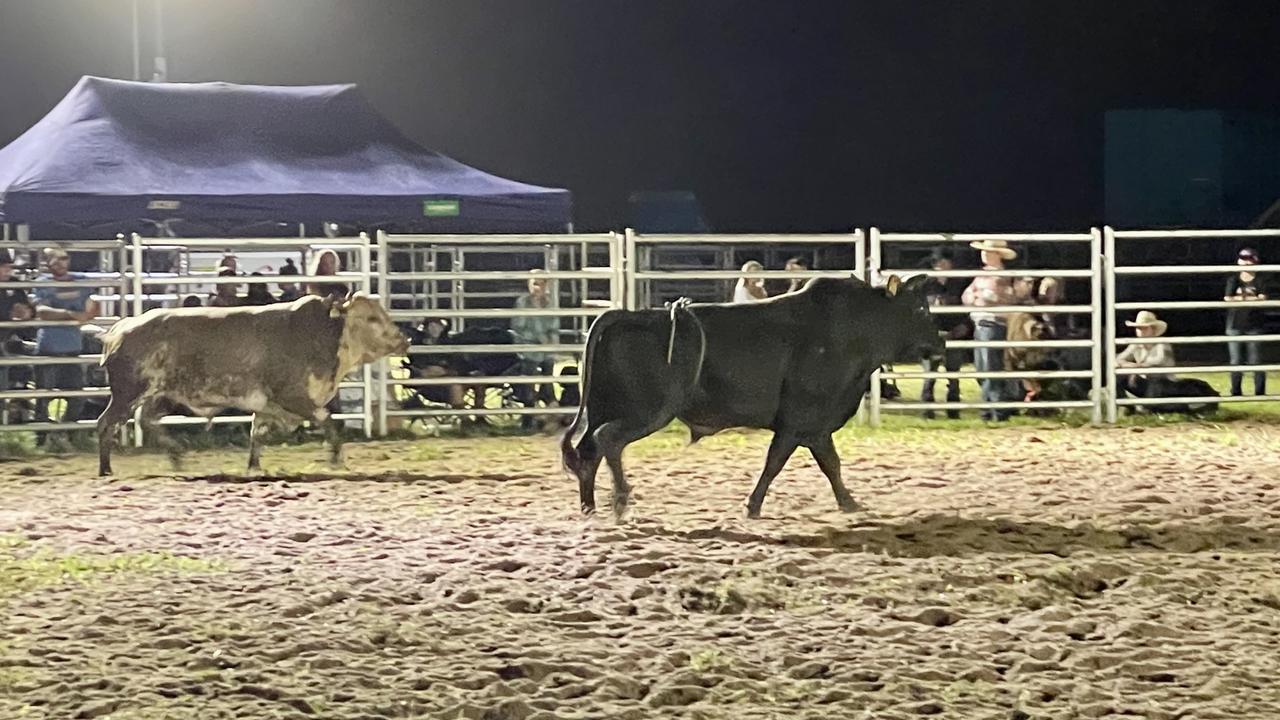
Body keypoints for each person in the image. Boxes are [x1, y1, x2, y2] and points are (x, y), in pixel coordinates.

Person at [33, 247, 99, 430]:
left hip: (72, 346)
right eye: (55, 259)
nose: (60, 263)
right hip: (49, 347)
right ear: (47, 263)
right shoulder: (42, 282)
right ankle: (43, 435)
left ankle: (67, 432)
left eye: (63, 258)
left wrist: (83, 314)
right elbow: (42, 312)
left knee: (76, 395)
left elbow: (92, 307)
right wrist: (73, 314)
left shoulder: (80, 280)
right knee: (43, 397)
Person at [961, 239, 1020, 421]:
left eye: (989, 251)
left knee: (989, 368)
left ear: (998, 255)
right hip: (982, 324)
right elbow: (966, 296)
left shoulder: (1002, 276)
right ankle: (992, 408)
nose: (984, 254)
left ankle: (994, 410)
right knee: (982, 367)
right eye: (984, 251)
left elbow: (993, 297)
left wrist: (979, 297)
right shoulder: (983, 274)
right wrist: (980, 297)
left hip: (992, 324)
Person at [919, 248, 969, 419]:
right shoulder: (926, 285)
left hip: (954, 330)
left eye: (943, 262)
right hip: (932, 332)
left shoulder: (959, 283)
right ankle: (927, 409)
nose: (940, 265)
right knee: (930, 374)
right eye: (937, 262)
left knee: (953, 374)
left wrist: (964, 325)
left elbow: (966, 307)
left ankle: (953, 409)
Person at [511, 271, 560, 428]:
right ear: (529, 285)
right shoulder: (522, 303)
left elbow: (554, 324)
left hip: (545, 347)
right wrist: (542, 339)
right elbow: (520, 327)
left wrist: (552, 341)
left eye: (542, 283)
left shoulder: (550, 303)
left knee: (548, 368)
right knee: (530, 371)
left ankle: (547, 411)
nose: (538, 287)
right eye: (535, 283)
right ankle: (534, 412)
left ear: (547, 285)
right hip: (527, 345)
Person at [1224, 247, 1269, 396]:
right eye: (1243, 258)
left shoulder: (1260, 279)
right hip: (1234, 325)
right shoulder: (1233, 279)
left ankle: (1260, 393)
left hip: (1255, 325)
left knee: (1256, 360)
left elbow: (1263, 298)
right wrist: (1251, 298)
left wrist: (1240, 299)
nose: (1246, 261)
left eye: (1249, 258)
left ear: (1255, 260)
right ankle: (1236, 392)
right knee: (1236, 360)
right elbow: (1227, 298)